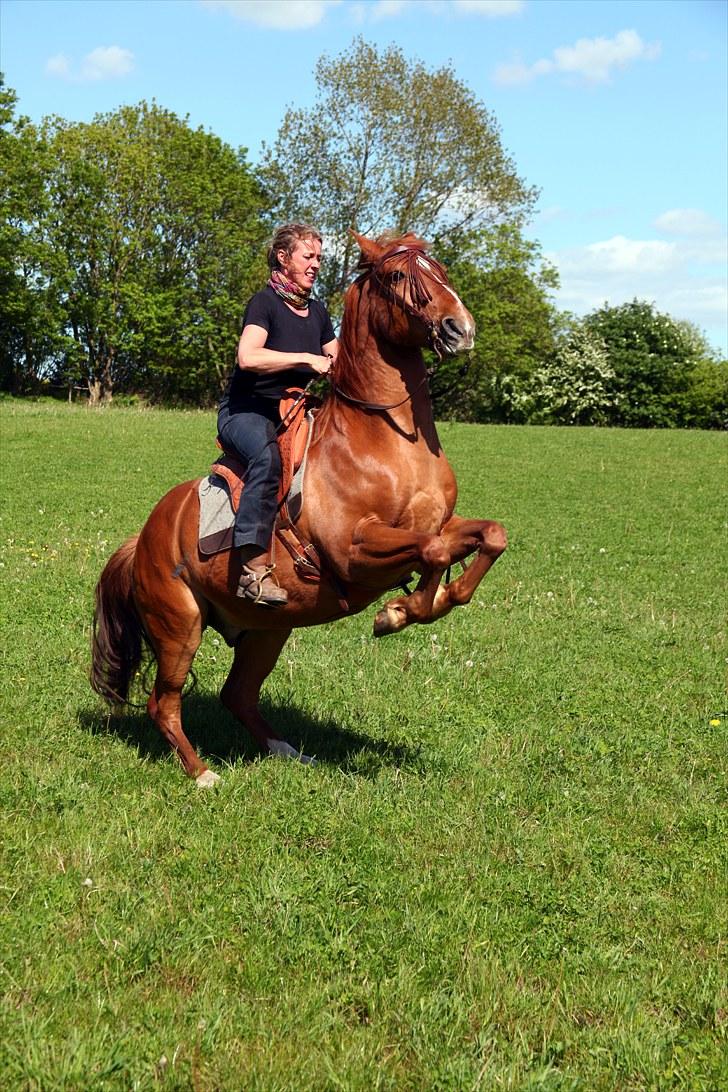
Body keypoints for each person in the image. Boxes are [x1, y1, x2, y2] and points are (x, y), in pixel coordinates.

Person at [217, 224, 338, 606]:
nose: (316, 264)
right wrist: (305, 357)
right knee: (268, 459)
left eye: (319, 257)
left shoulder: (317, 311)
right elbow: (248, 356)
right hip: (248, 412)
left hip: (300, 413)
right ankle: (252, 573)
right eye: (308, 256)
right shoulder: (264, 303)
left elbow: (338, 360)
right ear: (284, 259)